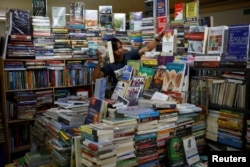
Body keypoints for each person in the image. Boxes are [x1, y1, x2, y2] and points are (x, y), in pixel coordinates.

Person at [92, 31, 164, 88]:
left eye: (120, 47)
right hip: (118, 93)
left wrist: (158, 38)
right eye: (117, 49)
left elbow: (148, 48)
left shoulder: (129, 55)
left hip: (133, 89)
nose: (120, 50)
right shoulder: (110, 65)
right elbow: (95, 79)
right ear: (111, 52)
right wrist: (99, 62)